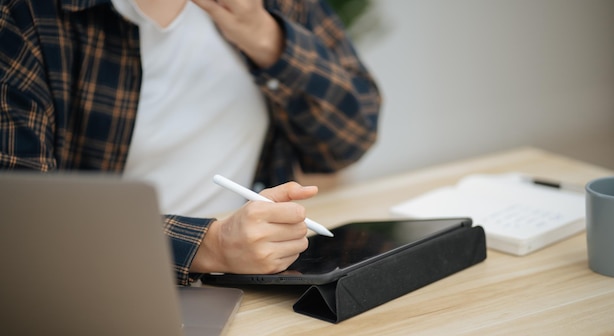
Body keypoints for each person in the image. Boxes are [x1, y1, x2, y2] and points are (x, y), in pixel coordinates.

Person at [0, 0, 382, 285]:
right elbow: (24, 223)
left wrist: (266, 37)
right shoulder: (26, 16)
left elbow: (349, 140)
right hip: (107, 288)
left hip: (255, 279)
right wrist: (210, 245)